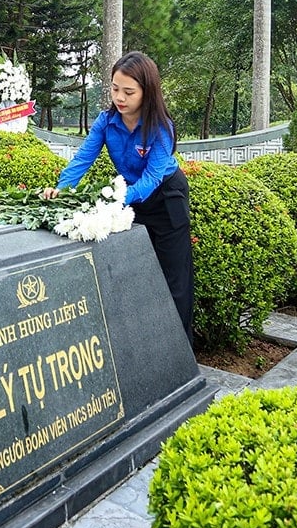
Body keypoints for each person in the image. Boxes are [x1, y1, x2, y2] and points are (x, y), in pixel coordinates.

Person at [42, 51, 194, 343]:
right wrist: (62, 189)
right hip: (129, 200)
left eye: (128, 91)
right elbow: (82, 159)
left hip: (165, 199)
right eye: (114, 89)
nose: (119, 98)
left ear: (146, 92)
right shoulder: (106, 121)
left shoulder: (161, 127)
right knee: (136, 274)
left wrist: (113, 202)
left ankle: (180, 351)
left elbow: (151, 179)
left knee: (175, 280)